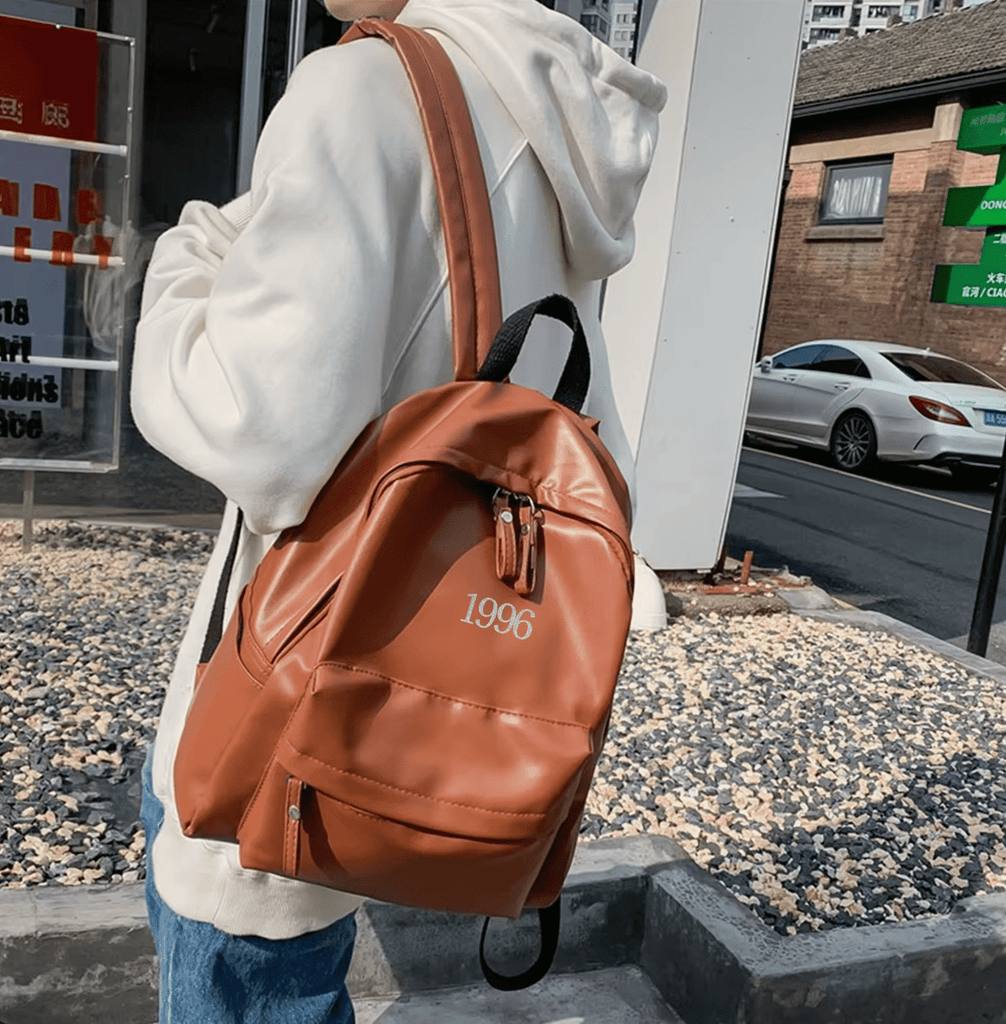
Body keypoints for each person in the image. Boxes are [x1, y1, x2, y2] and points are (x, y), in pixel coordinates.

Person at [131, 0, 667, 1020]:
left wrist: (187, 258)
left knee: (245, 944)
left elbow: (255, 431)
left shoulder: (364, 91)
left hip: (286, 707)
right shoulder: (560, 120)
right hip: (411, 699)